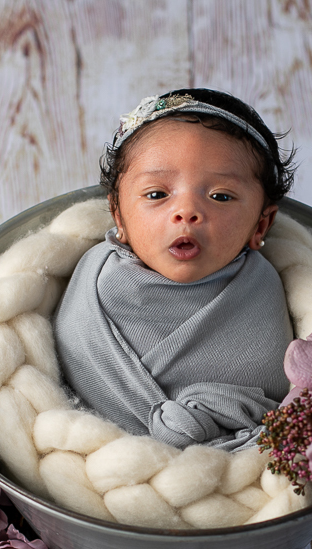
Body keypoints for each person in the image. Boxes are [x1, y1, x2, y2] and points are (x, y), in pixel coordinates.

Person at [54, 88, 297, 452]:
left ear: (261, 225)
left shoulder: (264, 292)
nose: (186, 211)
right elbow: (60, 368)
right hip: (91, 461)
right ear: (118, 216)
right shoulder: (95, 280)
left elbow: (280, 393)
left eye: (220, 196)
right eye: (156, 194)